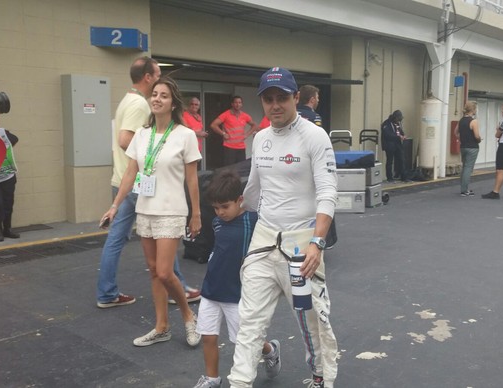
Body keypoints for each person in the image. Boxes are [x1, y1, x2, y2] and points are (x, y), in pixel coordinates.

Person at [228, 67, 338, 388]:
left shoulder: (315, 136)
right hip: (264, 241)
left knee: (311, 321)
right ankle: (239, 383)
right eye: (268, 99)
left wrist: (317, 242)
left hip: (301, 246)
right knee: (248, 323)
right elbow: (253, 189)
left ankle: (321, 379)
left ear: (296, 98)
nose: (275, 105)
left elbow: (328, 192)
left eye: (282, 98)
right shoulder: (260, 138)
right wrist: (231, 211)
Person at [100, 77, 202, 347]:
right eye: (154, 94)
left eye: (164, 95)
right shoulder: (142, 135)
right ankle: (161, 327)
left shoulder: (185, 135)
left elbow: (192, 179)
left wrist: (196, 215)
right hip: (145, 209)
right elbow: (131, 172)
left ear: (173, 102)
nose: (157, 98)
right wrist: (115, 206)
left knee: (167, 272)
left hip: (171, 211)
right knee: (154, 271)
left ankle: (189, 316)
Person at [193, 170, 279, 388]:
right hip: (211, 289)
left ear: (240, 200)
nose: (220, 212)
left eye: (225, 207)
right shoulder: (216, 222)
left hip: (237, 294)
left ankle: (271, 351)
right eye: (216, 208)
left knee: (247, 341)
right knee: (208, 336)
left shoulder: (254, 220)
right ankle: (212, 378)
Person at [297, 85, 337, 249]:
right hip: (310, 166)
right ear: (312, 99)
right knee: (320, 201)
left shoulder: (292, 116)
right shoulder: (314, 117)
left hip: (292, 166)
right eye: (317, 98)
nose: (318, 100)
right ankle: (323, 238)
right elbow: (320, 141)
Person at [210, 96, 258, 166]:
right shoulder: (226, 114)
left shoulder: (245, 116)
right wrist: (223, 133)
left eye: (239, 103)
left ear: (241, 104)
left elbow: (254, 125)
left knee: (241, 169)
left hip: (241, 147)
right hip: (229, 147)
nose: (237, 104)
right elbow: (213, 125)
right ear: (232, 104)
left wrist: (246, 135)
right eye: (236, 102)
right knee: (229, 169)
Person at [454, 101, 482, 197]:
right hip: (472, 147)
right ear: (473, 110)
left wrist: (461, 138)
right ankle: (464, 190)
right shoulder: (473, 121)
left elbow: (455, 132)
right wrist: (479, 140)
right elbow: (476, 135)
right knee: (468, 168)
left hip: (463, 146)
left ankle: (463, 188)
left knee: (465, 166)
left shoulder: (461, 120)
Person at [381, 109, 410, 182]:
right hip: (389, 145)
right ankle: (389, 178)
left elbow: (400, 131)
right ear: (394, 118)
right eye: (398, 119)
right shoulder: (386, 124)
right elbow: (387, 135)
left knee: (401, 160)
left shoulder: (397, 124)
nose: (398, 121)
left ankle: (404, 177)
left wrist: (403, 135)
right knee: (390, 161)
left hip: (397, 144)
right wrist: (398, 136)